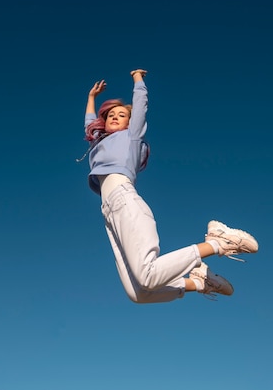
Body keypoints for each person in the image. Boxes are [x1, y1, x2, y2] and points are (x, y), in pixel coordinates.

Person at [80, 69, 258, 303]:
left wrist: (138, 80)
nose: (114, 117)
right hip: (108, 211)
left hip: (124, 198)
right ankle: (199, 282)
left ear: (129, 122)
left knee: (149, 275)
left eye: (121, 114)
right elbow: (89, 125)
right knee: (139, 293)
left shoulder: (131, 137)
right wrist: (91, 98)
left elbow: (140, 106)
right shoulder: (99, 143)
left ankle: (218, 242)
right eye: (110, 114)